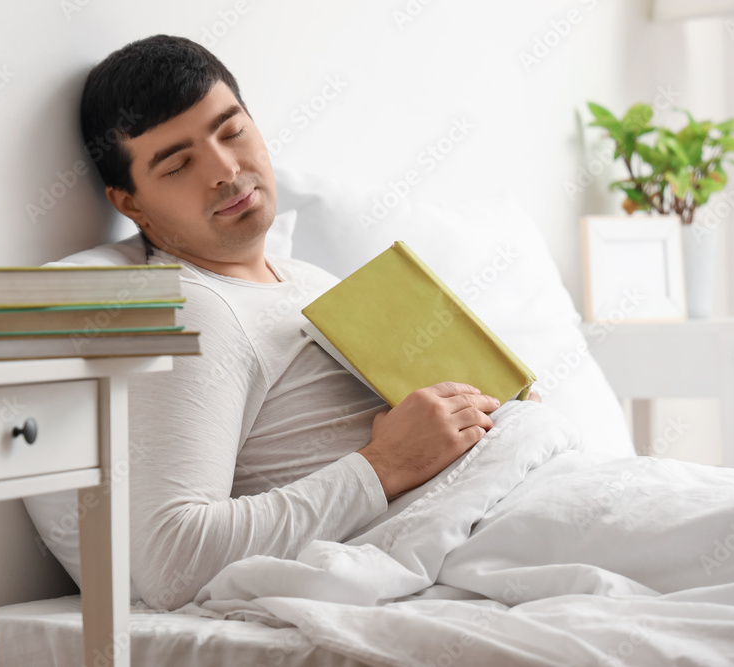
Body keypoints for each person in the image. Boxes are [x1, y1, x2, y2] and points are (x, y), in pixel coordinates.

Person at [61, 33, 539, 610]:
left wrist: (497, 410)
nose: (225, 169)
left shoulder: (313, 281)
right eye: (179, 164)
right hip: (496, 537)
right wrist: (384, 465)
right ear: (130, 204)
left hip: (532, 490)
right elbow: (172, 559)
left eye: (233, 131)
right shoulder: (191, 307)